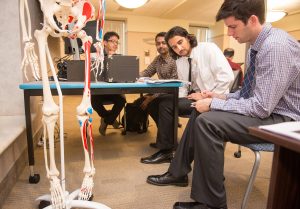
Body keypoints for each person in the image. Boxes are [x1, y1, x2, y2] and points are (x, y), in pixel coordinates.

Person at [147, 0, 300, 209]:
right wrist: (221, 98)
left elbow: (261, 107)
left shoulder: (275, 47)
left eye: (232, 26)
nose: (229, 33)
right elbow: (249, 95)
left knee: (208, 121)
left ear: (252, 20)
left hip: (285, 121)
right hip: (270, 111)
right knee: (201, 114)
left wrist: (213, 104)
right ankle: (178, 172)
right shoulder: (258, 46)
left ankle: (212, 204)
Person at [140, 26, 234, 164]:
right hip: (195, 96)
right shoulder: (180, 60)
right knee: (156, 102)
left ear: (188, 38)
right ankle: (167, 141)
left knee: (166, 104)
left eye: (180, 42)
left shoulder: (208, 49)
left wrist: (208, 97)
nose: (178, 48)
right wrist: (181, 97)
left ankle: (166, 151)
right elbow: (184, 85)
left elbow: (227, 77)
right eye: (174, 47)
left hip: (214, 99)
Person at [139, 32, 178, 146]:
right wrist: (132, 75)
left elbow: (173, 84)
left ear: (169, 44)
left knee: (156, 103)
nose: (160, 46)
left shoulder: (174, 60)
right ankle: (165, 135)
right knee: (146, 102)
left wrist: (152, 97)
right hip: (163, 91)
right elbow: (147, 72)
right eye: (158, 43)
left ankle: (166, 140)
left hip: (174, 92)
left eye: (163, 43)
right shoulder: (158, 59)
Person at [91, 31, 126, 136]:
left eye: (117, 42)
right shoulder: (95, 56)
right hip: (99, 91)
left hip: (113, 90)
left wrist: (113, 59)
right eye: (112, 41)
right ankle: (111, 119)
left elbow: (122, 75)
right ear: (105, 43)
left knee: (121, 100)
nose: (115, 44)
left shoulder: (119, 57)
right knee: (94, 102)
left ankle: (106, 121)